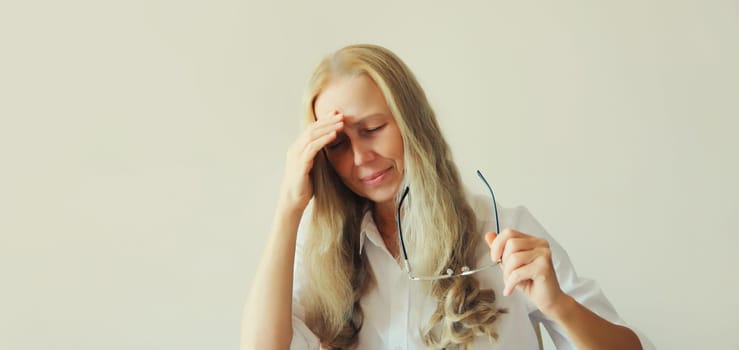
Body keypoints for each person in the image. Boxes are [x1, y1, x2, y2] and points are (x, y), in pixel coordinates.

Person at [241, 44, 654, 350]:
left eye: (372, 129)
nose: (361, 158)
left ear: (411, 123)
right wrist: (287, 210)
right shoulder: (319, 257)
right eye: (337, 145)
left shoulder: (503, 231)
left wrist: (559, 304)